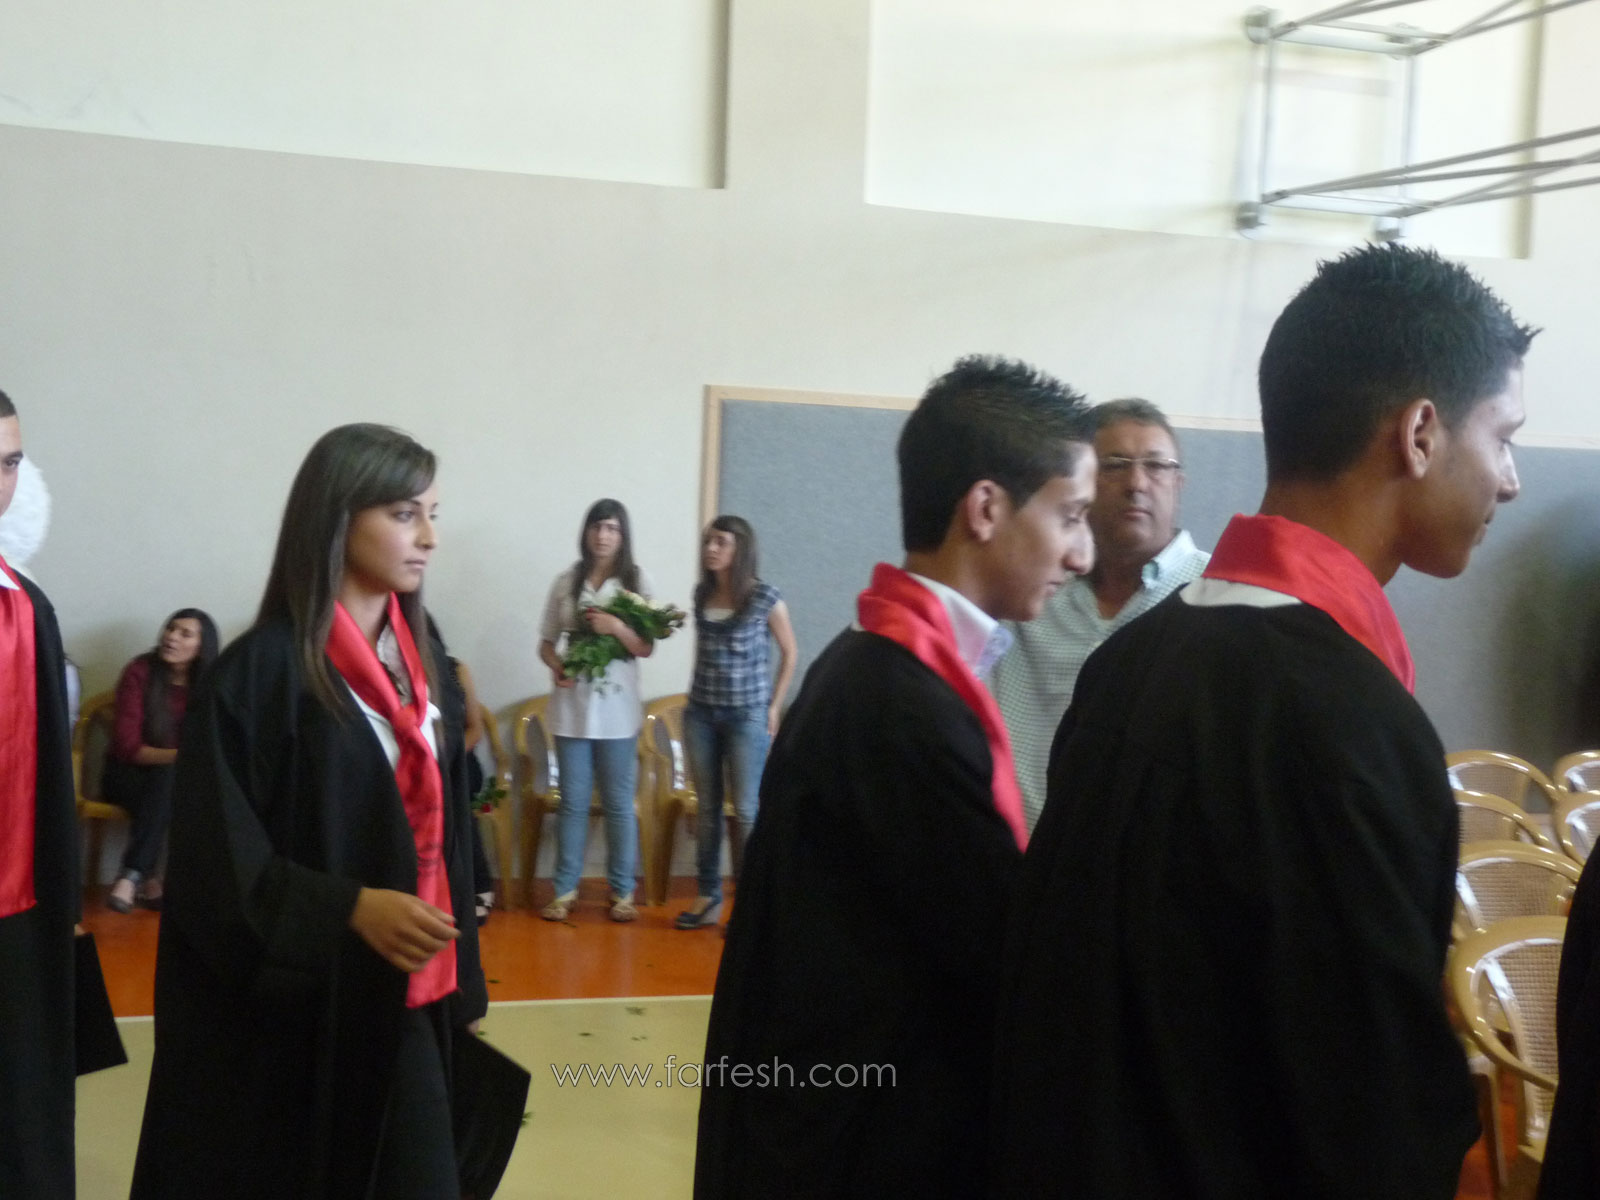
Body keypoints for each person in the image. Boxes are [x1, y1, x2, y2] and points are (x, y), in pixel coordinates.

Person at [990, 244, 1535, 1199]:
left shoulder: (1135, 657)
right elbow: (1366, 1118)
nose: (1511, 479)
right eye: (1503, 436)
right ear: (1419, 434)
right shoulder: (1348, 719)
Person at [694, 355, 1096, 1197]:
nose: (1082, 553)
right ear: (985, 508)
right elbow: (1000, 955)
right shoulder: (898, 704)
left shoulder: (875, 666)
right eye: (1070, 515)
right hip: (858, 1141)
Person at [131, 423, 488, 1199]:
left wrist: (463, 987)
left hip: (413, 990)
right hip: (304, 1010)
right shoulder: (256, 678)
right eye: (404, 514)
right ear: (337, 517)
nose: (429, 538)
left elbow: (450, 826)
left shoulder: (427, 660)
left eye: (432, 514)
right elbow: (218, 867)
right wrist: (349, 908)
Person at [989, 398, 1210, 829]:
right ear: (1082, 481)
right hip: (1013, 851)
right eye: (1115, 465)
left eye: (1156, 466)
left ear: (1179, 483)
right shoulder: (1030, 590)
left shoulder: (1215, 596)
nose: (1137, 483)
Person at [0, 389, 80, 1196]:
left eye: (10, 464)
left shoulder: (26, 610)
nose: (0, 484)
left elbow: (51, 779)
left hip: (14, 906)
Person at [675, 516, 798, 930]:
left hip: (747, 715)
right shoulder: (702, 593)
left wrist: (774, 706)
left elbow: (790, 653)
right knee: (707, 809)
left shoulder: (765, 597)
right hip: (701, 713)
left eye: (721, 542)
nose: (711, 549)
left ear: (740, 548)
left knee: (745, 811)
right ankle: (708, 895)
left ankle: (749, 904)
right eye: (708, 541)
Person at [536, 498, 656, 923]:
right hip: (572, 710)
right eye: (597, 527)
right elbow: (546, 643)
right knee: (572, 803)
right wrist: (557, 666)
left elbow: (645, 647)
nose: (603, 536)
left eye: (612, 528)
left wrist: (617, 627)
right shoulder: (566, 582)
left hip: (618, 712)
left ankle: (622, 892)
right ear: (586, 532)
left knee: (619, 804)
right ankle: (564, 890)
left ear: (622, 536)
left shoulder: (636, 582)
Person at [103, 608, 220, 913]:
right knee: (167, 779)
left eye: (185, 633)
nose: (172, 637)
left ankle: (140, 876)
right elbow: (127, 747)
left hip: (174, 783)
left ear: (201, 647)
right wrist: (184, 757)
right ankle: (137, 875)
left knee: (169, 782)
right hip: (125, 774)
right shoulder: (139, 671)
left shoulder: (209, 685)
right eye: (170, 628)